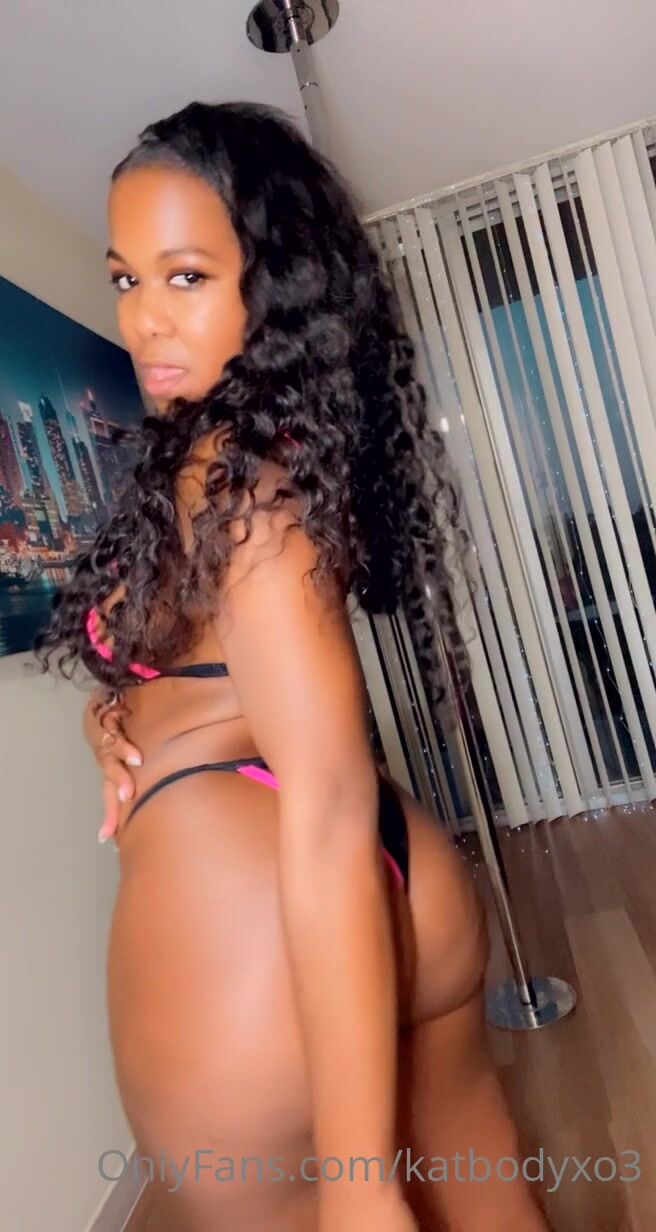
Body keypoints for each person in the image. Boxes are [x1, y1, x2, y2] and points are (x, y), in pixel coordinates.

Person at [36, 101, 551, 1231]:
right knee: (480, 1176)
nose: (145, 318)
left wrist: (361, 1184)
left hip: (277, 904)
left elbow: (325, 800)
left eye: (186, 276)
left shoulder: (248, 491)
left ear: (270, 287)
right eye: (127, 278)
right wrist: (111, 716)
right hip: (386, 884)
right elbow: (210, 675)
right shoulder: (240, 456)